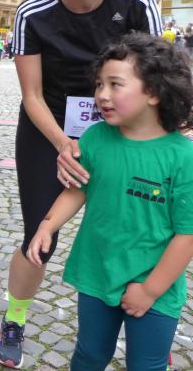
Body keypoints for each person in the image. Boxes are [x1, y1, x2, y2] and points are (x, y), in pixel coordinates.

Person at [0, 0, 162, 369]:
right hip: (48, 130)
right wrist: (64, 145)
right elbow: (31, 95)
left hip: (122, 128)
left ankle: (147, 322)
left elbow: (158, 78)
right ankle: (14, 319)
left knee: (135, 228)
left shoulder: (135, 2)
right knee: (39, 231)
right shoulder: (33, 13)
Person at [27, 33, 193, 371]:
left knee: (146, 365)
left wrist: (149, 290)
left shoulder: (183, 157)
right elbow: (78, 189)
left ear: (154, 92)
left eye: (115, 84)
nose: (102, 94)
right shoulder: (95, 138)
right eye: (99, 84)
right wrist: (47, 225)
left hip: (155, 285)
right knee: (89, 355)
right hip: (97, 273)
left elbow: (187, 234)